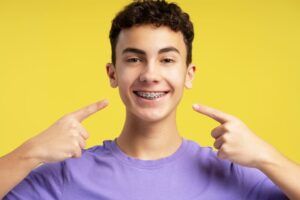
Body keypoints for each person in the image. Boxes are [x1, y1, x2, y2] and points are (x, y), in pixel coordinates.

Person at [0, 0, 299, 199]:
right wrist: (30, 152)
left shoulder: (234, 174)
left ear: (189, 74)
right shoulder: (66, 175)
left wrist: (265, 156)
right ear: (113, 72)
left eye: (167, 59)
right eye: (134, 59)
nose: (150, 74)